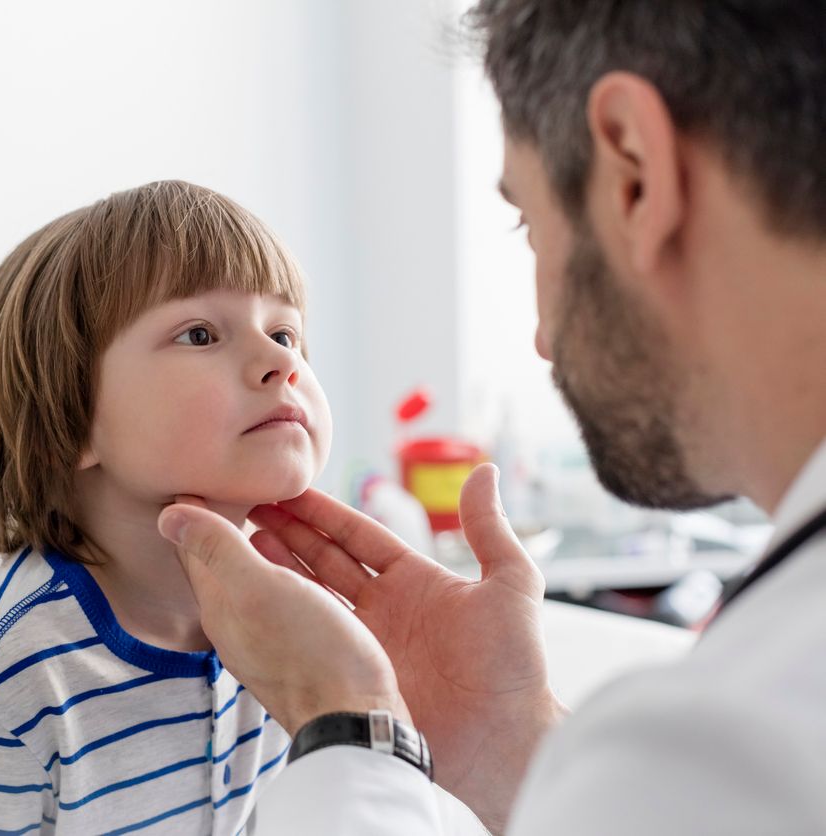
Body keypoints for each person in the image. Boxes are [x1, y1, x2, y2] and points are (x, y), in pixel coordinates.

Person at [156, 1, 826, 833]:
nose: (542, 340)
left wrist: (347, 723)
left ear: (635, 172)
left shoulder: (734, 746)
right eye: (197, 334)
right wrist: (505, 736)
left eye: (529, 223)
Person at [0, 180, 333, 834]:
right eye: (199, 334)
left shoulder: (295, 616)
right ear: (70, 420)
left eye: (285, 331)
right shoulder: (12, 666)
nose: (281, 361)